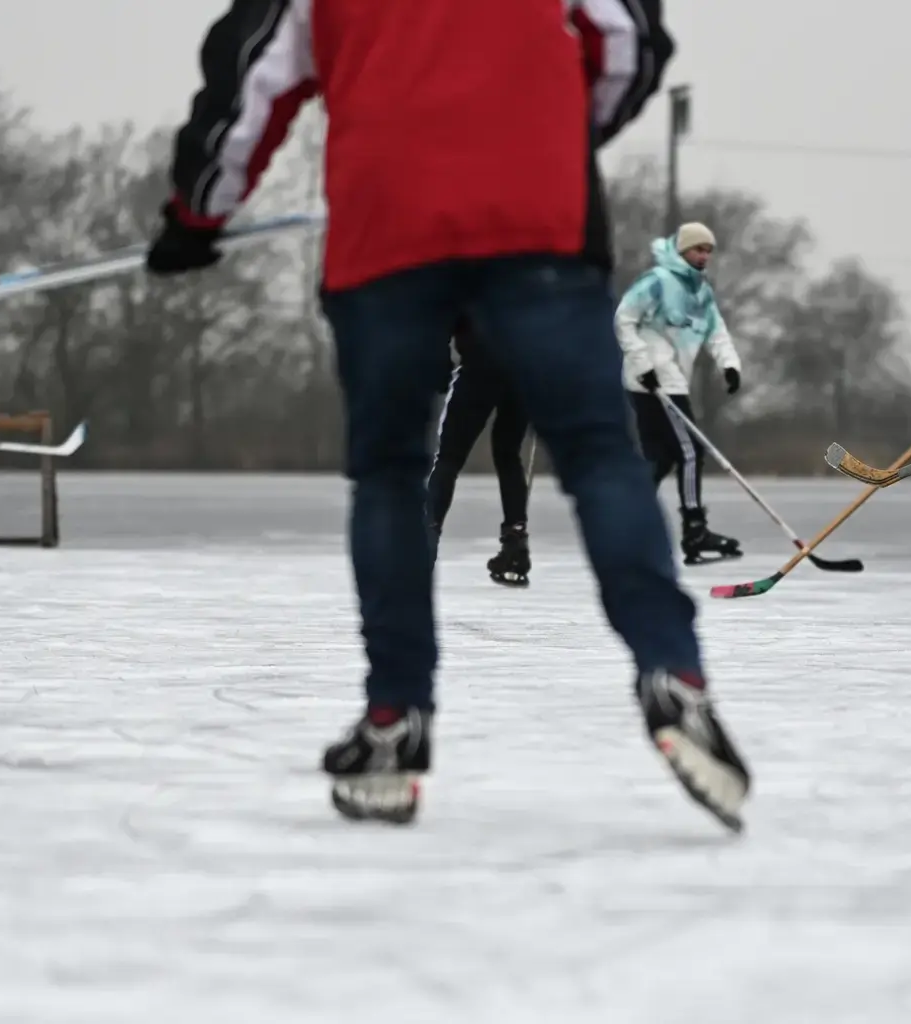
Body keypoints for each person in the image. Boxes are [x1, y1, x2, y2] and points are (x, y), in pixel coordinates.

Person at [145, 0, 748, 830]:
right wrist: (555, 141)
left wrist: (195, 215)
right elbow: (630, 43)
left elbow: (249, 84)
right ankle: (673, 672)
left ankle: (395, 719)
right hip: (538, 228)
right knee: (600, 458)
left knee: (391, 476)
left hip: (387, 236)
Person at [614, 222, 744, 565]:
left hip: (671, 380)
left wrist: (729, 365)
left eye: (708, 251)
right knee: (690, 452)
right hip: (654, 380)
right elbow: (623, 320)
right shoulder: (657, 281)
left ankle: (628, 526)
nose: (704, 256)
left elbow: (717, 332)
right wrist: (644, 365)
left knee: (661, 457)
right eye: (698, 249)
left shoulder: (701, 291)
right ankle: (695, 528)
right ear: (682, 249)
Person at [425, 317, 533, 587]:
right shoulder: (526, 275)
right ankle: (515, 540)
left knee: (449, 457)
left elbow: (443, 313)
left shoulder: (465, 273)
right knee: (508, 453)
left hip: (479, 365)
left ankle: (427, 535)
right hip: (521, 368)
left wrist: (439, 365)